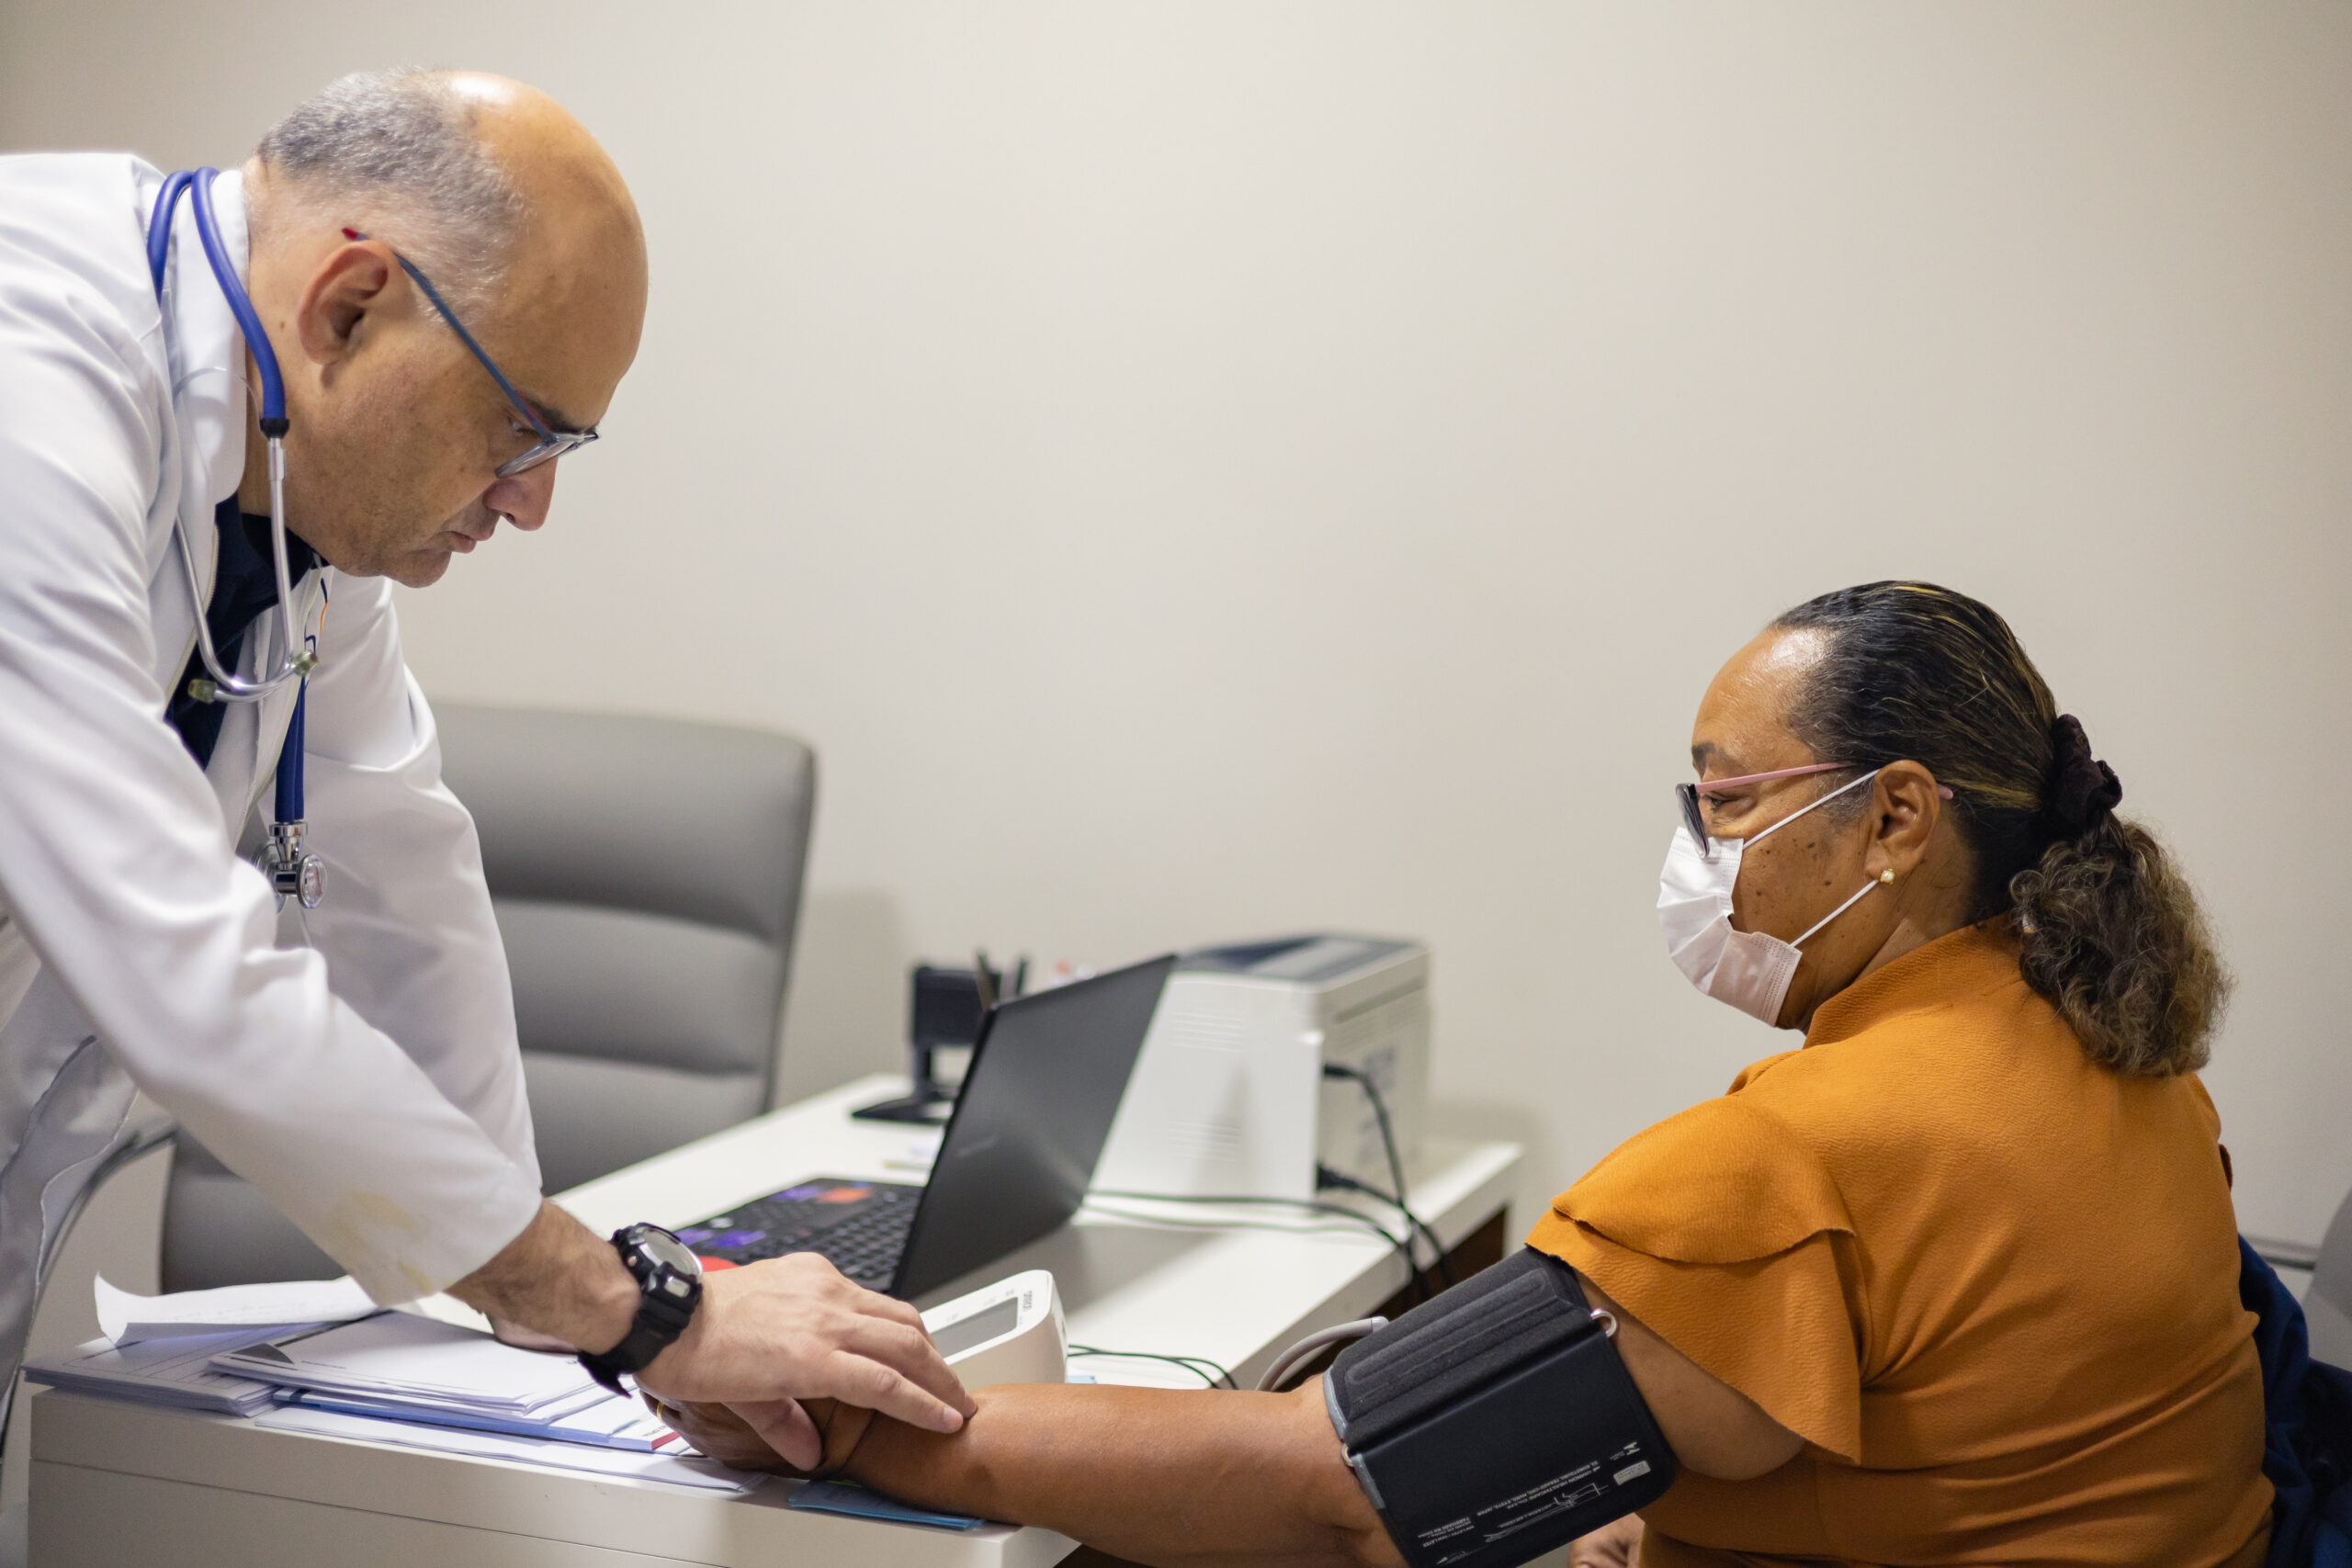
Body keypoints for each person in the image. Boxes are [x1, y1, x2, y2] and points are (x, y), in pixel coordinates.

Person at [652, 581, 2270, 1567]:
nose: (1699, 852)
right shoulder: (2117, 1055)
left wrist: (851, 1427)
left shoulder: (1813, 1150)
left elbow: (1334, 1495)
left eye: (1725, 801)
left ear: (1899, 820)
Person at [0, 69, 970, 1464]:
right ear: (350, 304)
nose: (531, 501)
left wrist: (567, 1319)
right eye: (521, 427)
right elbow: (178, 969)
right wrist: (641, 1313)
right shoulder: (35, 382)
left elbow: (407, 873)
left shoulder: (288, 497)